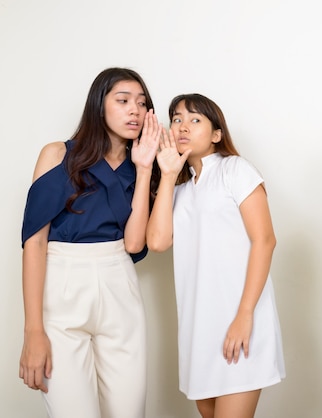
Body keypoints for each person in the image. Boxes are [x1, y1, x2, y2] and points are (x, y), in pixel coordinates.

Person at [19, 67, 160, 418]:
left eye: (142, 104)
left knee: (129, 412)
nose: (135, 111)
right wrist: (33, 329)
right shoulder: (57, 154)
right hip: (62, 287)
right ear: (99, 106)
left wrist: (144, 171)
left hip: (119, 286)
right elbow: (34, 244)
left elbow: (133, 244)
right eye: (124, 100)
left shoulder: (142, 166)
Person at [147, 93, 285, 418]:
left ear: (216, 134)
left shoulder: (235, 170)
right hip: (199, 329)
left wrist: (245, 315)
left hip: (240, 322)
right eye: (177, 119)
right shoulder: (178, 190)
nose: (183, 126)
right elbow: (156, 241)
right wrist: (167, 176)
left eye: (195, 120)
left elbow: (265, 241)